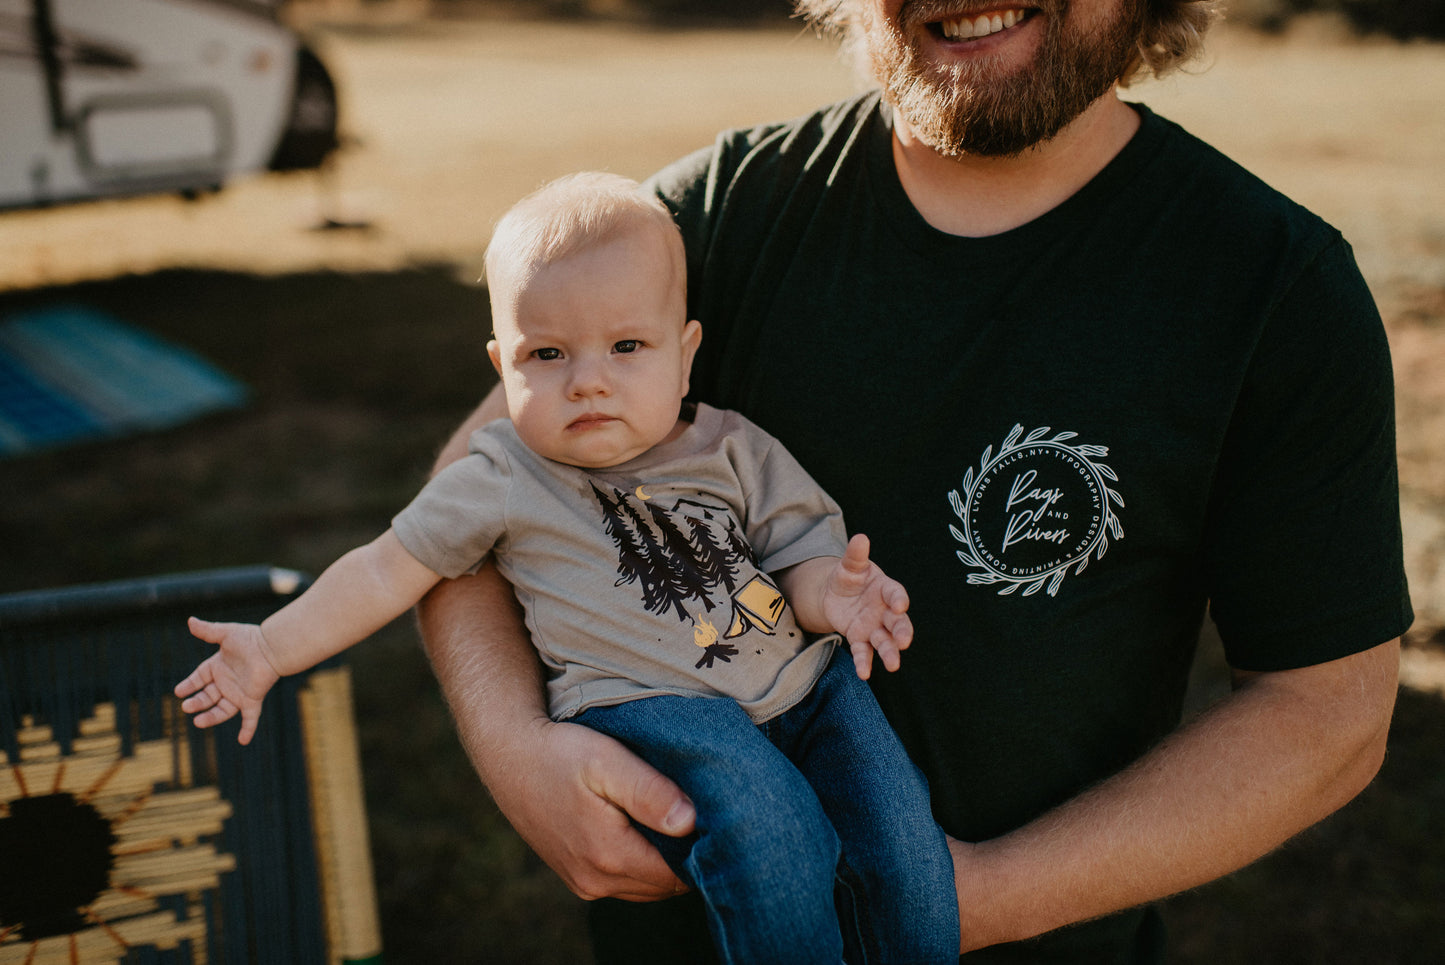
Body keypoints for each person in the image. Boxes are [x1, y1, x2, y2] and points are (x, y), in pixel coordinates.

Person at [417, 1, 1414, 962]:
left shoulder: (1268, 286)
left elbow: (1323, 714)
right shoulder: (713, 218)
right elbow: (466, 493)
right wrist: (515, 750)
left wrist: (963, 901)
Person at [174, 172, 959, 965]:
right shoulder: (502, 476)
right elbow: (384, 571)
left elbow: (798, 560)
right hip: (653, 704)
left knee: (902, 837)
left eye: (626, 347)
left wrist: (839, 597)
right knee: (770, 825)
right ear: (500, 364)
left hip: (806, 684)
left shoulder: (732, 446)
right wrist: (270, 650)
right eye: (546, 354)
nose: (587, 379)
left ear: (684, 356)